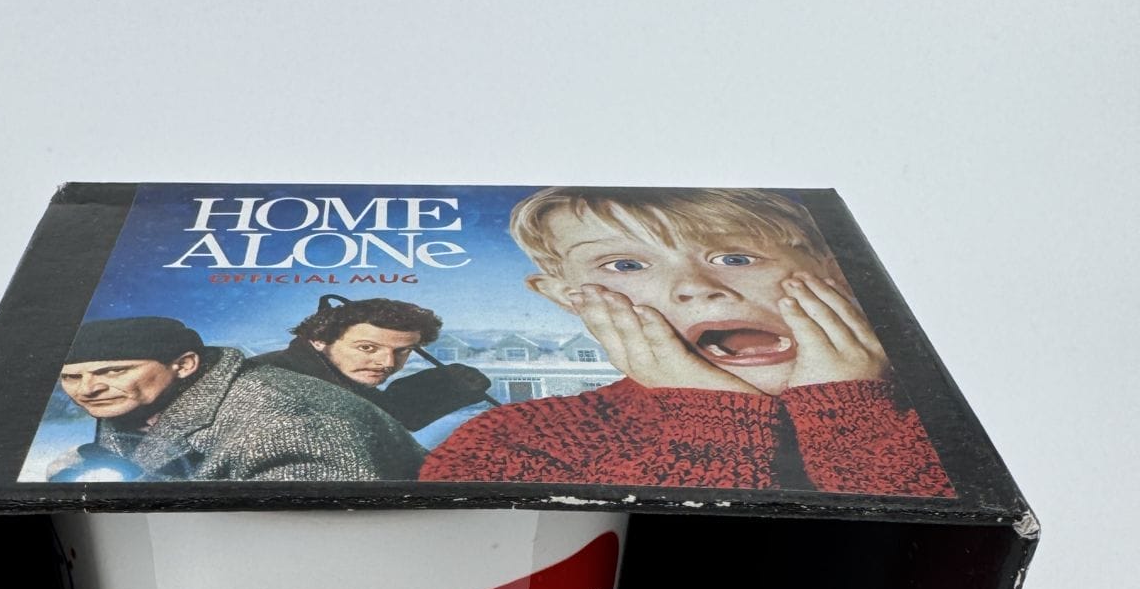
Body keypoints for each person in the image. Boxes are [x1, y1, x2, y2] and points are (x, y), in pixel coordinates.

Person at [420, 188, 952, 496]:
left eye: (735, 257)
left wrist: (852, 415)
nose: (695, 287)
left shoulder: (947, 410)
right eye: (625, 265)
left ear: (833, 270)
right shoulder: (510, 443)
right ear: (568, 297)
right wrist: (711, 416)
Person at [46, 314, 424, 482]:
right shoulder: (138, 397)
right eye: (71, 377)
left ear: (184, 365)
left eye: (113, 371)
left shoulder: (287, 420)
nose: (87, 389)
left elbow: (310, 535)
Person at [250, 297, 494, 448]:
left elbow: (385, 414)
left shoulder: (332, 377)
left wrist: (449, 387)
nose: (387, 363)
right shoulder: (269, 384)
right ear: (319, 340)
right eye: (367, 348)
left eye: (403, 351)